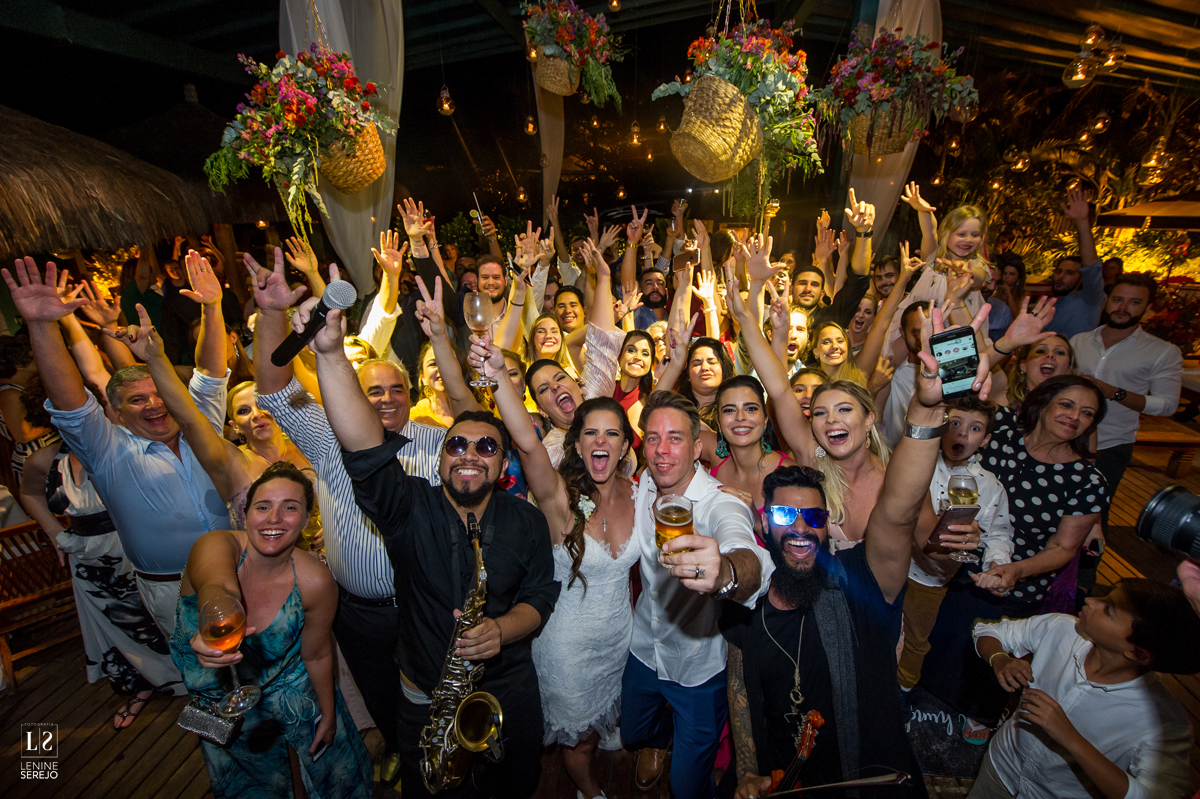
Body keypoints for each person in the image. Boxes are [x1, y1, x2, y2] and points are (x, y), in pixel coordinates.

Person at [723, 302, 994, 799]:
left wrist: (949, 549)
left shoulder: (900, 481)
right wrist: (744, 315)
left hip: (871, 604)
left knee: (865, 706)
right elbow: (779, 387)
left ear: (870, 419)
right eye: (820, 413)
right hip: (803, 596)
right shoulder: (810, 463)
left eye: (843, 409)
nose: (829, 421)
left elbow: (923, 547)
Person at [306, 293, 559, 799]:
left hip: (507, 690)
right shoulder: (408, 506)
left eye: (487, 447)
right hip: (425, 695)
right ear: (439, 457)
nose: (469, 455)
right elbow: (363, 445)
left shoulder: (526, 521)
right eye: (456, 445)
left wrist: (503, 630)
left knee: (514, 785)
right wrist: (331, 355)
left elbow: (540, 598)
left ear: (502, 463)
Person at [5, 255, 230, 640]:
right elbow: (71, 403)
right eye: (138, 400)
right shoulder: (108, 451)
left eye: (159, 394)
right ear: (118, 413)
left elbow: (210, 372)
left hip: (239, 570)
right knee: (205, 681)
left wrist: (213, 306)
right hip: (171, 589)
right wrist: (42, 326)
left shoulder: (200, 424)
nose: (155, 404)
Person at [479, 330, 637, 799]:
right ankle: (589, 789)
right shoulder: (558, 499)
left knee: (605, 715)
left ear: (626, 447)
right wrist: (496, 378)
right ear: (577, 442)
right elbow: (527, 445)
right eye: (590, 433)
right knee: (579, 740)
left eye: (612, 433)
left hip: (618, 637)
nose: (600, 441)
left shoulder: (639, 491)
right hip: (566, 648)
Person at [921, 375, 1109, 742]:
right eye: (1067, 404)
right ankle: (929, 700)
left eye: (1087, 413)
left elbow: (1063, 547)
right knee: (943, 639)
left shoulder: (1087, 479)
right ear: (1044, 402)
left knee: (993, 654)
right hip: (954, 560)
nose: (1074, 417)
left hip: (1020, 575)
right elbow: (959, 422)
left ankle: (979, 713)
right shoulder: (1000, 433)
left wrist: (1012, 570)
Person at [173, 463, 372, 798]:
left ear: (307, 521)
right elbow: (217, 584)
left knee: (309, 784)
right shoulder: (215, 545)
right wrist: (217, 616)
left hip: (290, 703)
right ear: (245, 513)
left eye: (290, 508)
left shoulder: (315, 580)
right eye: (263, 507)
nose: (274, 518)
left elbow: (318, 652)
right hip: (216, 709)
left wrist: (328, 713)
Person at [620, 390, 773, 799]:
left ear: (698, 447)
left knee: (686, 789)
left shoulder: (719, 503)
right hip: (644, 649)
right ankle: (660, 738)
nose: (662, 450)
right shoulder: (645, 485)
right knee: (632, 732)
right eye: (652, 438)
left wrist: (725, 572)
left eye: (675, 438)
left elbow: (747, 555)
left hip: (696, 669)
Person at [969, 579, 1200, 799]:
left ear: (1137, 653)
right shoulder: (1063, 629)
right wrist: (999, 659)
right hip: (1001, 767)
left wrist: (1070, 738)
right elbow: (989, 631)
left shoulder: (1165, 724)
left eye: (1108, 610)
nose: (1091, 601)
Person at [898, 398, 1013, 692]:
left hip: (929, 578)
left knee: (916, 639)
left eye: (975, 428)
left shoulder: (988, 486)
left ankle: (904, 692)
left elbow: (998, 533)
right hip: (892, 564)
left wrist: (997, 565)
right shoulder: (914, 460)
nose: (962, 433)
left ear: (985, 440)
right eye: (955, 423)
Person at [1070, 274, 1181, 543]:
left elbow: (1167, 405)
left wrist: (1113, 392)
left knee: (1094, 515)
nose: (1123, 307)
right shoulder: (1079, 341)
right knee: (1058, 509)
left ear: (1148, 307)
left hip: (1111, 445)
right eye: (1118, 299)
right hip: (1066, 439)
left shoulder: (1162, 352)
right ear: (1107, 301)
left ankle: (1085, 583)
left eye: (1134, 302)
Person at [708, 375, 797, 539]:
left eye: (750, 409)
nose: (740, 417)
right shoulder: (715, 460)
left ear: (765, 420)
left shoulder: (789, 474)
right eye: (729, 410)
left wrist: (756, 521)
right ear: (719, 425)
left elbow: (797, 554)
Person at [1044, 190, 1106, 341]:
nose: (1061, 276)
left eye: (1070, 273)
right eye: (1059, 271)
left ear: (1081, 279)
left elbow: (1091, 268)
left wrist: (1082, 222)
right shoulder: (1047, 304)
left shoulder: (1089, 299)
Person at [615, 329, 656, 440]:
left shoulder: (651, 402)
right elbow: (571, 344)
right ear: (619, 355)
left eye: (645, 353)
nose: (638, 357)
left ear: (651, 363)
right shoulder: (603, 388)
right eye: (631, 350)